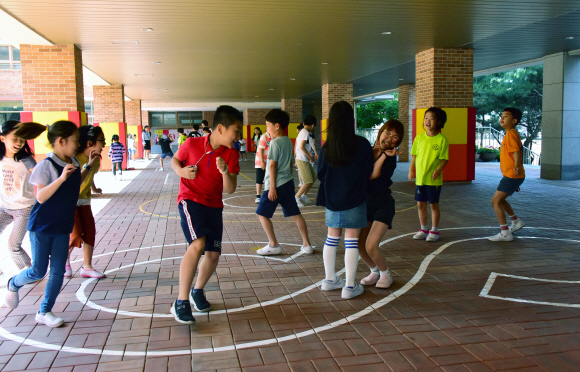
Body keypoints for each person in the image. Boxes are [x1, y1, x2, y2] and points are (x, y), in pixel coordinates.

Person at [5, 120, 96, 328]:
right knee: (38, 271)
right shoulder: (46, 165)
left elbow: (74, 183)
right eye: (75, 140)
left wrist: (87, 168)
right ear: (61, 141)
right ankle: (13, 283)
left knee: (57, 271)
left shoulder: (72, 159)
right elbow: (41, 196)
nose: (78, 144)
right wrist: (62, 178)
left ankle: (44, 311)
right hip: (42, 227)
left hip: (63, 226)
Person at [169, 105, 242, 324]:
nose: (238, 136)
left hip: (214, 205)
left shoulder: (231, 153)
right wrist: (181, 171)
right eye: (236, 131)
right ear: (220, 128)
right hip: (190, 200)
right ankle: (181, 302)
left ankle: (197, 291)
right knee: (198, 244)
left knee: (213, 254)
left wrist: (225, 171)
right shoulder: (191, 144)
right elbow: (175, 160)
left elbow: (230, 189)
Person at [316, 101, 373, 300]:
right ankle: (349, 286)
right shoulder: (362, 144)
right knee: (351, 241)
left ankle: (329, 280)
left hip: (332, 200)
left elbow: (321, 174)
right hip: (355, 198)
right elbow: (368, 172)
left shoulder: (327, 147)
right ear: (352, 120)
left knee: (332, 238)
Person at [255, 109, 313, 256]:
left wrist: (272, 187)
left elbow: (272, 165)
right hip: (288, 183)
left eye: (268, 125)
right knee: (296, 213)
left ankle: (273, 244)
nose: (267, 129)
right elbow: (289, 164)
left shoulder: (274, 143)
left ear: (277, 126)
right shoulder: (288, 140)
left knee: (262, 214)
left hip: (275, 185)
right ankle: (307, 245)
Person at [358, 120, 404, 289]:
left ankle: (386, 274)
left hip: (383, 205)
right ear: (380, 132)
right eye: (387, 132)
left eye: (395, 136)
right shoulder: (367, 151)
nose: (390, 138)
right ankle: (374, 271)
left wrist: (384, 155)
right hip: (366, 204)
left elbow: (372, 175)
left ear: (397, 142)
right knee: (359, 245)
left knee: (371, 245)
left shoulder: (391, 157)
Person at [0, 121, 46, 275]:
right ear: (2, 138)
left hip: (24, 209)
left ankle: (29, 272)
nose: (19, 143)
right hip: (3, 207)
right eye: (15, 138)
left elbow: (40, 177)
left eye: (22, 139)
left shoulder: (26, 160)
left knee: (13, 245)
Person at [66, 125, 106, 279]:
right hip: (70, 202)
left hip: (84, 201)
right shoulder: (74, 159)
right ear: (89, 143)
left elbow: (89, 178)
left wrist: (94, 188)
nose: (103, 144)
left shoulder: (95, 160)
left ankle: (87, 267)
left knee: (89, 232)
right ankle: (64, 261)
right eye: (101, 141)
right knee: (75, 234)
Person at [408, 107, 449, 242]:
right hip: (420, 179)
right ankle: (423, 229)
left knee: (433, 204)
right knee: (421, 204)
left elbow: (444, 160)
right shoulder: (419, 138)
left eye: (432, 118)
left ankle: (434, 230)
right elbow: (414, 156)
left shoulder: (442, 140)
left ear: (439, 122)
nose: (428, 121)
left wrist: (438, 171)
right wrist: (411, 170)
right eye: (426, 118)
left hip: (433, 180)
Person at [488, 108, 526, 241]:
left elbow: (516, 152)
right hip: (512, 176)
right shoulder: (511, 133)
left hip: (512, 175)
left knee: (495, 201)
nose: (502, 118)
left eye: (506, 116)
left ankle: (505, 233)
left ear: (514, 121)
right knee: (501, 200)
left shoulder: (510, 134)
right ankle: (515, 221)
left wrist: (516, 167)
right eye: (502, 115)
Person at [294, 115, 318, 207]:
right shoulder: (305, 133)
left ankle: (304, 195)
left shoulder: (304, 132)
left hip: (304, 159)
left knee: (313, 177)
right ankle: (296, 197)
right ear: (312, 125)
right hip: (302, 159)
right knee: (308, 181)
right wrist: (310, 157)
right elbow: (302, 147)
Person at [254, 129, 271, 204]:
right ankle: (258, 195)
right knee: (259, 178)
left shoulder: (274, 137)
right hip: (261, 161)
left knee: (268, 178)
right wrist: (262, 162)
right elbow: (260, 149)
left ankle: (267, 195)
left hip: (269, 161)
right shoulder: (264, 137)